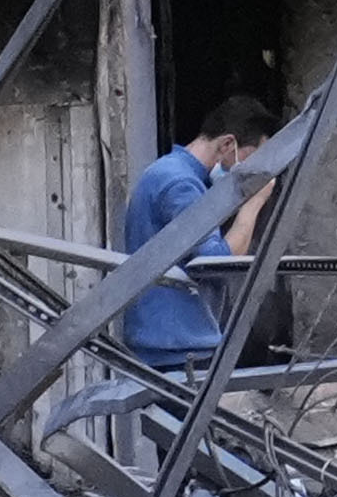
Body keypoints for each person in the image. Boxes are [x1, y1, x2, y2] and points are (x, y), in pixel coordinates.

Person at [114, 85, 286, 372]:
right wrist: (253, 204)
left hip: (168, 344)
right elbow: (218, 262)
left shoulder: (171, 173)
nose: (256, 171)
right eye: (254, 159)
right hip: (176, 351)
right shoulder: (180, 184)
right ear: (227, 145)